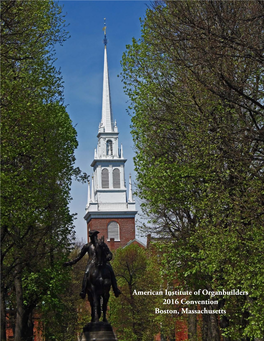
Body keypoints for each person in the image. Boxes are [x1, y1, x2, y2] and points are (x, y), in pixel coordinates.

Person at [64, 230, 121, 299]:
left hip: (103, 262)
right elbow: (79, 256)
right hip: (91, 263)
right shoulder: (87, 246)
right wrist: (71, 262)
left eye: (94, 236)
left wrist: (108, 257)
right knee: (86, 273)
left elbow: (109, 253)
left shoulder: (102, 245)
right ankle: (83, 291)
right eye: (92, 236)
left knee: (111, 271)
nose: (94, 238)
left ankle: (116, 289)